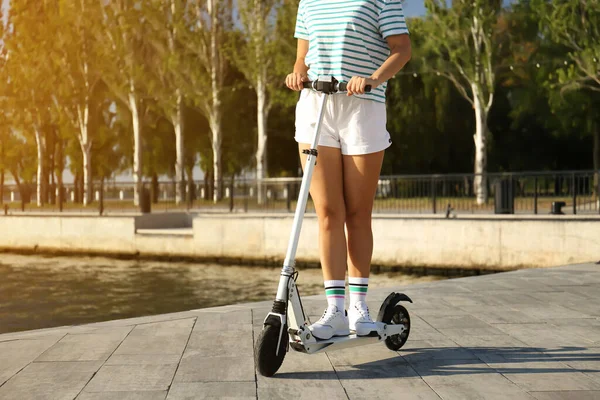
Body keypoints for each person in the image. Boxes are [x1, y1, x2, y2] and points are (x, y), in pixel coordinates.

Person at [285, 0, 412, 340]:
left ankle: (359, 307)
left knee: (357, 213)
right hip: (316, 107)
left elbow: (402, 49)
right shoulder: (308, 2)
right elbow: (303, 55)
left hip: (362, 108)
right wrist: (298, 72)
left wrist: (373, 78)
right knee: (328, 212)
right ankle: (335, 311)